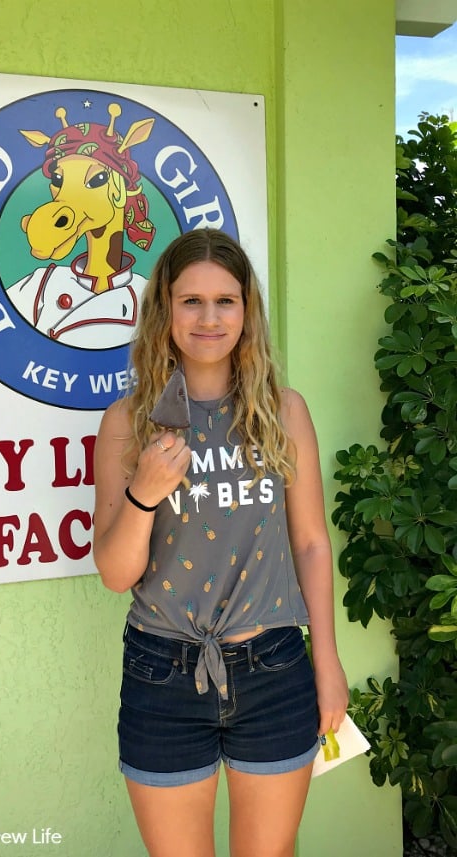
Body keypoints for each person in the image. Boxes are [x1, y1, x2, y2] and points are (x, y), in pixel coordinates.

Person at [92, 228, 348, 857]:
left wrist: (328, 662)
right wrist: (146, 491)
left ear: (246, 310)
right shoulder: (128, 422)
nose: (209, 318)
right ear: (164, 310)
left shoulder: (283, 413)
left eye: (225, 301)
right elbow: (116, 573)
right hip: (163, 674)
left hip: (275, 666)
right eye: (191, 301)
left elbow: (312, 544)